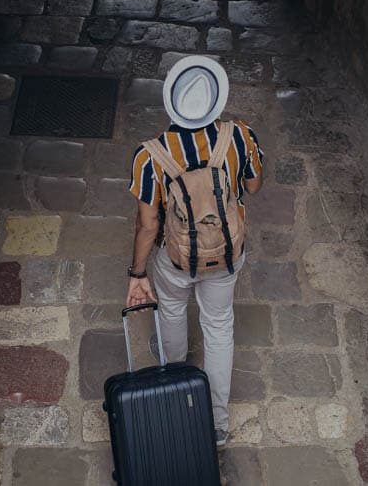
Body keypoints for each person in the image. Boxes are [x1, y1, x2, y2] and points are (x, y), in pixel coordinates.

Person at [125, 56, 264, 446]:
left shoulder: (149, 156)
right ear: (216, 101)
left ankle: (176, 382)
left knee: (171, 310)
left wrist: (137, 274)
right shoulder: (239, 135)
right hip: (227, 254)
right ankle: (217, 422)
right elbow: (253, 187)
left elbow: (148, 225)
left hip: (176, 259)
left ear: (172, 102)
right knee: (218, 327)